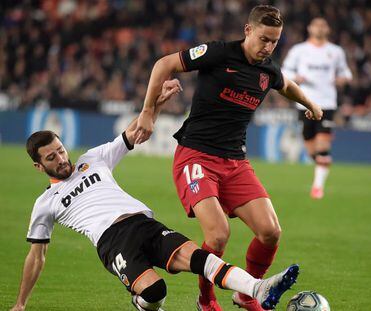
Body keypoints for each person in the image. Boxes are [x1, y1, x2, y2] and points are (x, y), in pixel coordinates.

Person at [10, 80, 299, 311]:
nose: (61, 158)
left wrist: (156, 104)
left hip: (144, 223)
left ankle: (257, 289)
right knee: (155, 292)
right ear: (39, 166)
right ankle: (142, 302)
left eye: (60, 150)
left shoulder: (92, 159)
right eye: (51, 157)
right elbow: (37, 256)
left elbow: (135, 132)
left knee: (201, 259)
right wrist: (21, 304)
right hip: (112, 242)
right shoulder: (45, 203)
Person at [134, 5, 322, 311]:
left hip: (235, 162)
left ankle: (247, 293)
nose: (268, 47)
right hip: (196, 156)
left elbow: (286, 86)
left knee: (271, 231)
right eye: (264, 39)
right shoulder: (219, 53)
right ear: (248, 30)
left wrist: (311, 104)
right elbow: (164, 64)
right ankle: (205, 299)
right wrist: (146, 112)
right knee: (219, 234)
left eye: (275, 41)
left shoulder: (268, 71)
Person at [282, 17, 352, 199]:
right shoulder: (299, 50)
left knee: (322, 145)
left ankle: (317, 187)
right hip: (304, 102)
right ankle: (322, 163)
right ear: (309, 28)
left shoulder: (335, 52)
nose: (320, 28)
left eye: (323, 25)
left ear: (327, 29)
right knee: (311, 147)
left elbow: (346, 73)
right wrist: (296, 77)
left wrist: (342, 79)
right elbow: (284, 71)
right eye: (316, 25)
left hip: (327, 103)